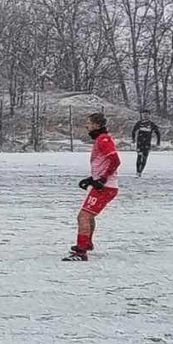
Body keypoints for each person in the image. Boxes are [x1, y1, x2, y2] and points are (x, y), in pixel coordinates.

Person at [64, 112, 121, 261]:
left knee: (83, 216)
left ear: (96, 125)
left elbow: (115, 161)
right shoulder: (100, 139)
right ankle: (86, 243)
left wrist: (102, 179)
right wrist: (91, 179)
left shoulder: (103, 140)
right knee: (88, 216)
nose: (86, 126)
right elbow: (103, 164)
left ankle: (81, 252)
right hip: (104, 184)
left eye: (88, 123)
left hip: (106, 187)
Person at [131, 110, 161, 177]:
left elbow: (158, 133)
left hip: (147, 143)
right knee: (139, 156)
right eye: (144, 114)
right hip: (140, 143)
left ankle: (140, 171)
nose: (145, 116)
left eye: (147, 114)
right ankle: (138, 171)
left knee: (144, 157)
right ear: (141, 115)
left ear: (149, 115)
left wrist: (158, 142)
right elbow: (133, 131)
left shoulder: (151, 124)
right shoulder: (139, 123)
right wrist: (133, 139)